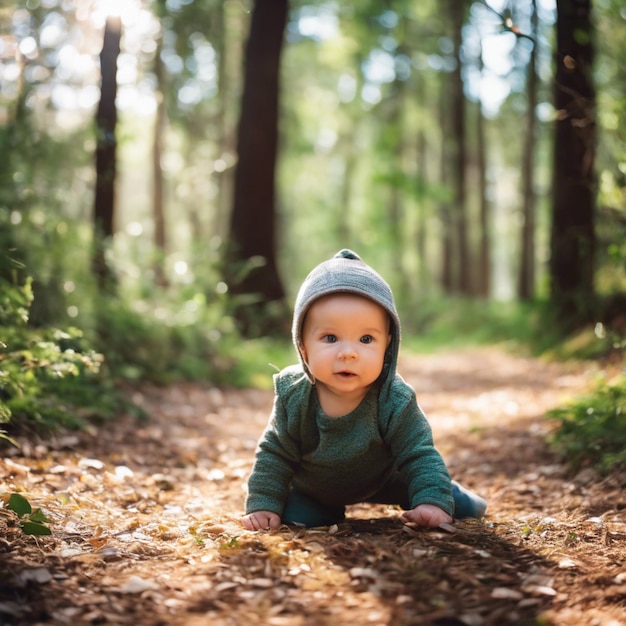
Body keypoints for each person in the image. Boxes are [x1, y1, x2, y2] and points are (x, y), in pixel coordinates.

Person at [242, 249, 487, 531]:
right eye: (330, 338)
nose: (348, 353)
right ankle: (322, 510)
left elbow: (418, 453)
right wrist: (262, 504)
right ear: (303, 346)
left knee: (438, 500)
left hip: (386, 480)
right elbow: (275, 453)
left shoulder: (394, 398)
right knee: (298, 519)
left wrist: (432, 501)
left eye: (366, 339)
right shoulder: (294, 394)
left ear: (387, 347)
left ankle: (457, 497)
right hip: (316, 487)